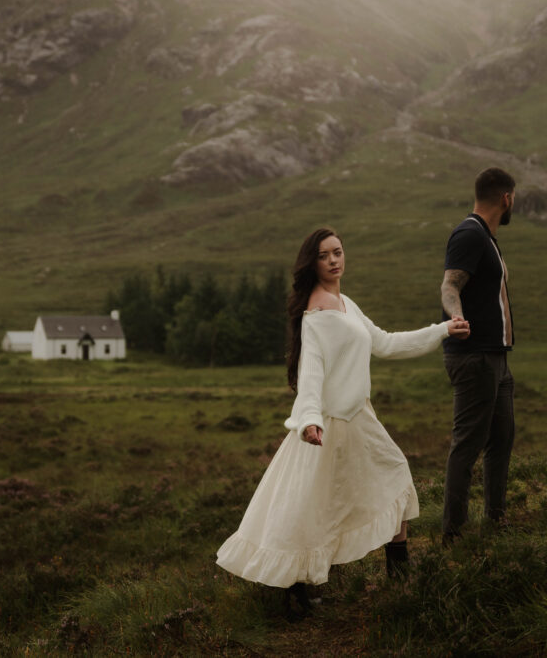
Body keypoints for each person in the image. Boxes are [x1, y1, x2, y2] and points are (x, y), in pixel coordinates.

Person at [216, 228, 469, 620]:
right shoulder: (317, 314)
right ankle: (300, 584)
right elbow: (311, 372)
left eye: (338, 252)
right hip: (330, 425)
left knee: (395, 477)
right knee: (312, 505)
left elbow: (384, 343)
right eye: (324, 255)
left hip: (360, 418)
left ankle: (400, 579)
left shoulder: (345, 303)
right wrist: (310, 421)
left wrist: (441, 330)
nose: (334, 260)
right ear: (312, 263)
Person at [439, 167, 517, 543]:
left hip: (496, 359)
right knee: (468, 444)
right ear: (506, 198)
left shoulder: (486, 237)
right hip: (475, 357)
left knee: (501, 439)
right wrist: (456, 315)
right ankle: (453, 534)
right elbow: (450, 284)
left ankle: (496, 522)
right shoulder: (469, 233)